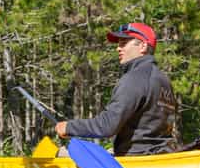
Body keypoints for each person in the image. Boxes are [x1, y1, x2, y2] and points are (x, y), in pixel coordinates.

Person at [55, 22, 179, 156]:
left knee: (59, 154)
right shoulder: (163, 80)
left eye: (124, 43)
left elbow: (107, 125)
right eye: (118, 44)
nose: (118, 49)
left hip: (136, 159)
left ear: (143, 46)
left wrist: (69, 127)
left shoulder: (134, 78)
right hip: (161, 155)